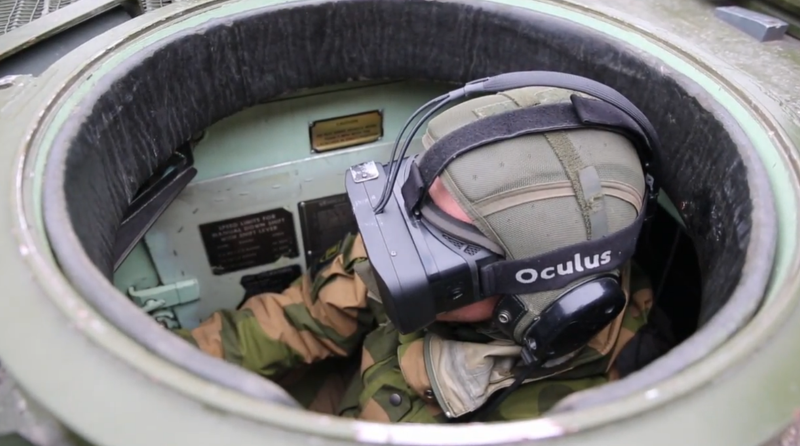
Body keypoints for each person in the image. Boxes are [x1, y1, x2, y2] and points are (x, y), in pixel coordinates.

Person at [172, 85, 670, 423]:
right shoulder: (408, 244)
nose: (394, 255)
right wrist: (166, 366)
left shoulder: (596, 417)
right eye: (420, 208)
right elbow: (300, 319)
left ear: (540, 307)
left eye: (445, 250)